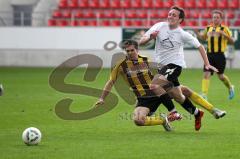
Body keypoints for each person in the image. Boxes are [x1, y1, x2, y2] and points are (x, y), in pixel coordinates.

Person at [139, 6, 218, 131]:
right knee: (178, 96)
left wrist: (207, 64)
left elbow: (200, 46)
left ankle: (173, 112)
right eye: (169, 14)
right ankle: (197, 113)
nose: (170, 16)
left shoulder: (182, 34)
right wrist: (150, 37)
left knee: (154, 86)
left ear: (180, 19)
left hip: (175, 65)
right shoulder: (159, 26)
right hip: (162, 67)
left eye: (174, 15)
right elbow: (141, 41)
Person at [96, 40, 183, 132]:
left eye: (132, 50)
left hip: (156, 91)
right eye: (127, 51)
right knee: (138, 121)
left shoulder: (146, 60)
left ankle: (192, 111)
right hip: (143, 97)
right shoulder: (121, 65)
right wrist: (102, 98)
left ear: (137, 50)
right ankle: (163, 121)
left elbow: (159, 74)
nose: (130, 52)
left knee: (183, 90)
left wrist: (173, 84)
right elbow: (110, 82)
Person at [194, 10, 235, 100]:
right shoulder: (208, 28)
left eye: (217, 17)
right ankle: (204, 94)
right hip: (209, 55)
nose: (215, 19)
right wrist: (197, 33)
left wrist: (224, 35)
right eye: (214, 17)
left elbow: (232, 42)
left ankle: (230, 87)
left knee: (221, 76)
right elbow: (203, 38)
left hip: (220, 55)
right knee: (206, 73)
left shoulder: (224, 29)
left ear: (221, 19)